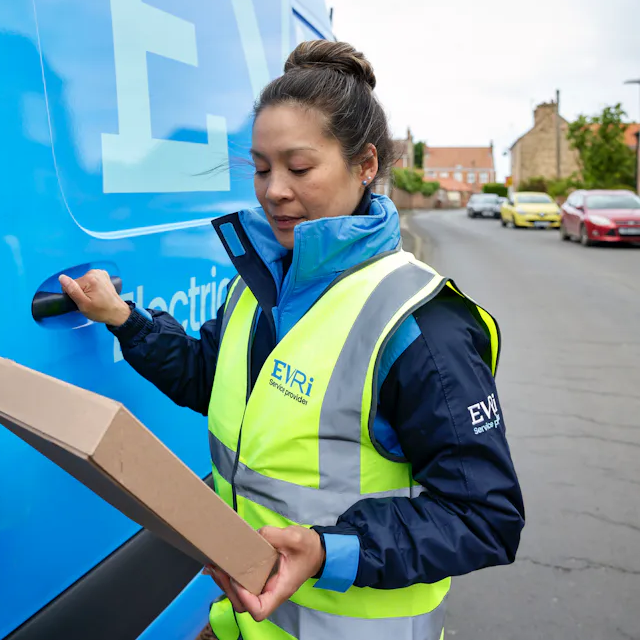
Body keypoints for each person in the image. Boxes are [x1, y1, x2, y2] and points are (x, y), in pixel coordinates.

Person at [60, 40, 524, 640]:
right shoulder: (255, 288)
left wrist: (330, 551)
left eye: (299, 168)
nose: (273, 190)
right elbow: (209, 378)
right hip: (242, 624)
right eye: (261, 168)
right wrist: (125, 319)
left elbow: (484, 515)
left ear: (365, 165)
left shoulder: (420, 325)